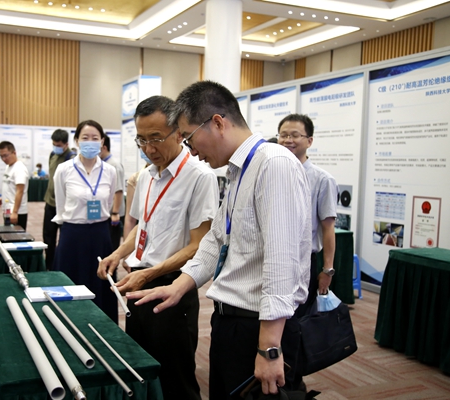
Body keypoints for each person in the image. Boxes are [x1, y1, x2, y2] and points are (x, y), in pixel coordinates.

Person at [126, 81, 312, 399]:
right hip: (231, 322)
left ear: (217, 123)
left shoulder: (274, 164)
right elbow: (215, 241)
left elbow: (282, 262)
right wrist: (179, 286)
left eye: (189, 137)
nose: (190, 149)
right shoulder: (239, 170)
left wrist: (269, 348)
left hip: (259, 326)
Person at [98, 95, 219, 400]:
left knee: (175, 378)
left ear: (179, 133)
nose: (148, 148)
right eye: (141, 140)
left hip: (172, 287)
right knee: (141, 368)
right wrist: (118, 254)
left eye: (155, 138)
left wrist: (150, 274)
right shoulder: (147, 175)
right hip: (139, 282)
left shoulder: (200, 176)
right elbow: (143, 225)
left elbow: (199, 245)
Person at [277, 113, 338, 390]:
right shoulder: (274, 172)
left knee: (294, 326)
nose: (288, 140)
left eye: (295, 135)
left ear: (309, 141)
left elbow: (328, 229)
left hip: (303, 262)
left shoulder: (322, 179)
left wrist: (327, 270)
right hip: (274, 260)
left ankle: (292, 384)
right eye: (283, 135)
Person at [52, 120, 118, 322]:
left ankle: (102, 325)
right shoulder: (64, 169)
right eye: (85, 138)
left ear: (102, 141)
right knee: (70, 281)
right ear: (76, 141)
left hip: (100, 234)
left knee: (101, 284)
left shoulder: (110, 171)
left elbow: (108, 202)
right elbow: (61, 206)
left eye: (95, 138)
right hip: (72, 234)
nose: (90, 142)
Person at [43, 129, 76, 270]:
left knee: (64, 239)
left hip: (64, 206)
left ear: (66, 144)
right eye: (54, 144)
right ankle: (49, 266)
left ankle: (62, 266)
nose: (55, 147)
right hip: (50, 203)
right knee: (48, 237)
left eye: (58, 145)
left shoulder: (71, 158)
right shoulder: (52, 154)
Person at [0, 141, 30, 229]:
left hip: (17, 212)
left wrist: (15, 212)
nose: (4, 159)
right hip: (8, 210)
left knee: (17, 236)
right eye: (1, 156)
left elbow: (20, 191)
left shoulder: (19, 169)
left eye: (6, 155)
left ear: (14, 153)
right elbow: (10, 187)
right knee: (7, 234)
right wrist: (4, 198)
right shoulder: (9, 166)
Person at [99, 135, 124, 251]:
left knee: (111, 247)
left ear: (104, 147)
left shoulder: (114, 165)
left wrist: (115, 212)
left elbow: (118, 191)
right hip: (105, 213)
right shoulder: (102, 164)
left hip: (113, 214)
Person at [123, 149, 151, 241]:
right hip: (141, 235)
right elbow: (130, 219)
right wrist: (126, 245)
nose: (148, 149)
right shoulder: (135, 179)